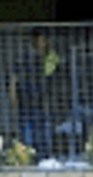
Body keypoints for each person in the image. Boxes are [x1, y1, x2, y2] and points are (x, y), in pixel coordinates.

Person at [9, 29, 65, 157]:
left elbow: (53, 73)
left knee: (43, 133)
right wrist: (12, 93)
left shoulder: (49, 57)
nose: (45, 43)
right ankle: (26, 157)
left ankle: (43, 158)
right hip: (25, 99)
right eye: (42, 40)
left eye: (46, 40)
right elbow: (15, 75)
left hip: (42, 100)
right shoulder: (25, 57)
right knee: (26, 133)